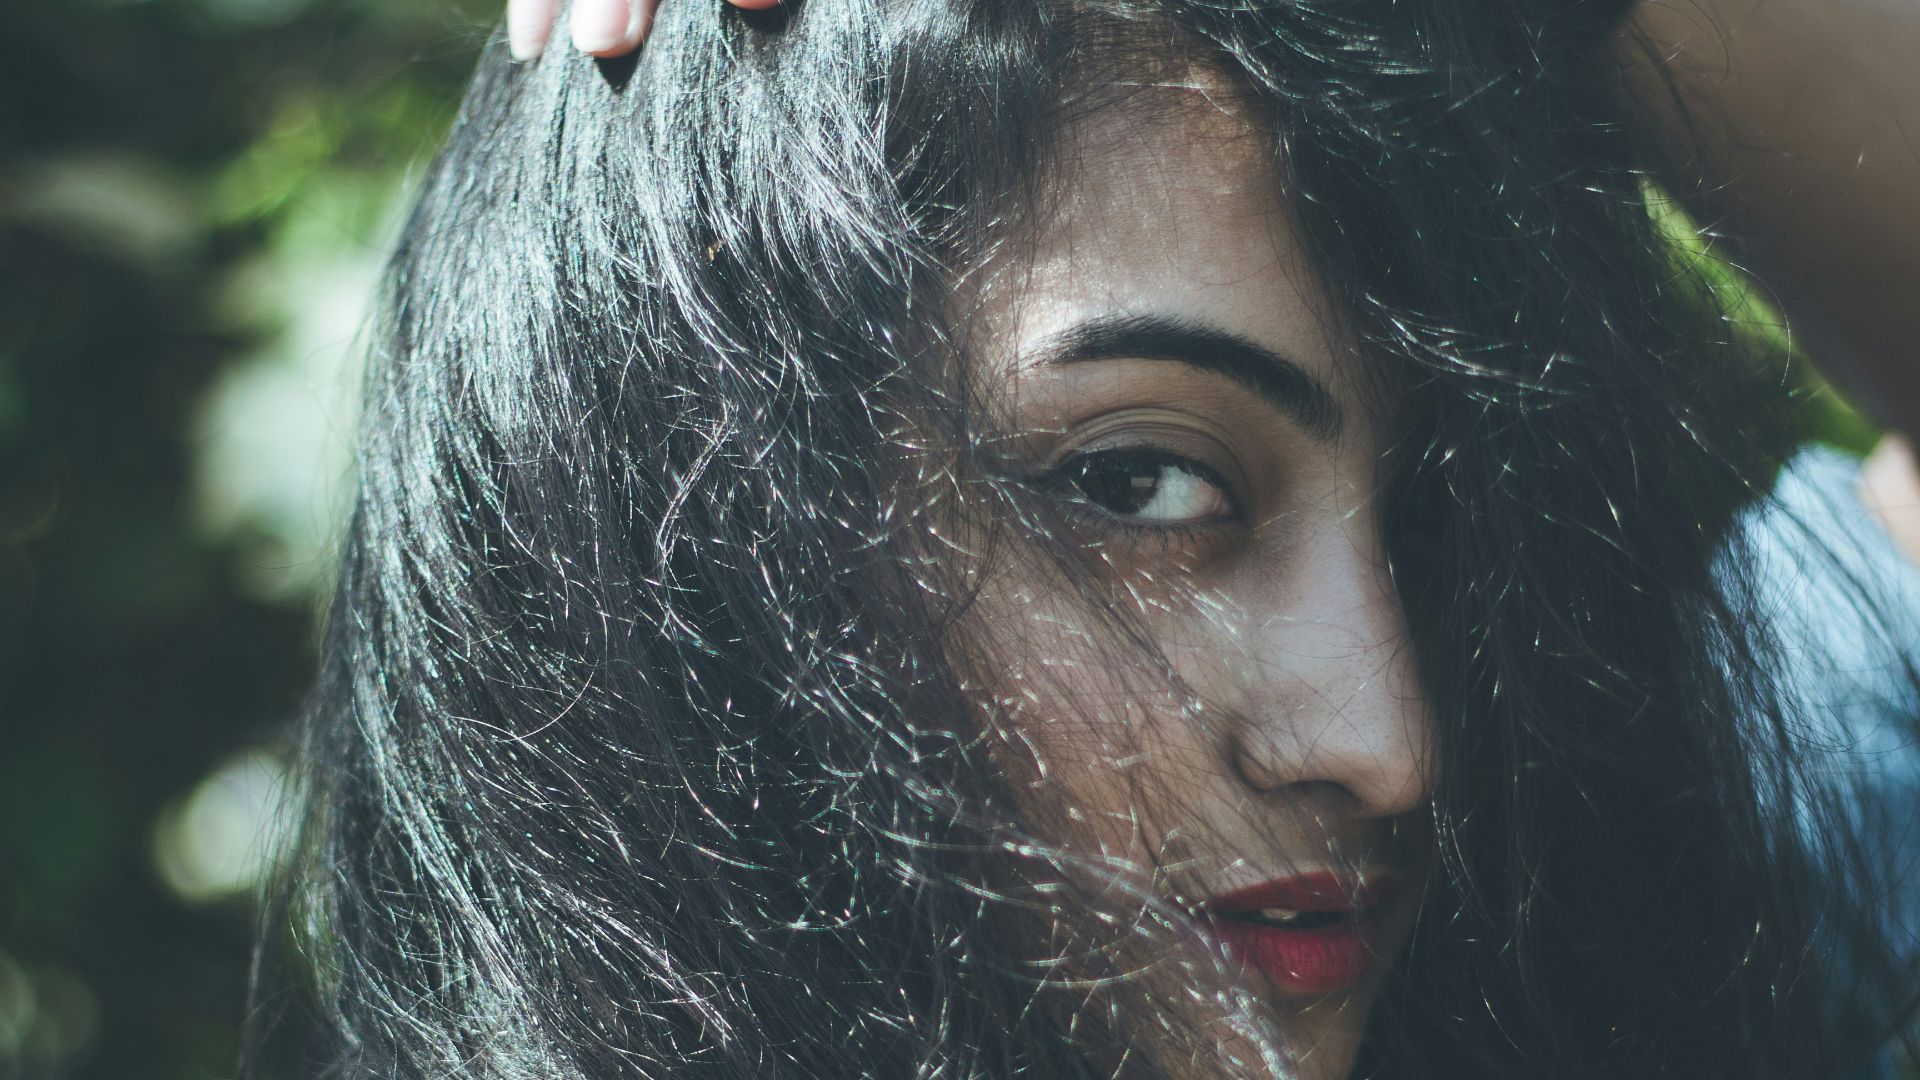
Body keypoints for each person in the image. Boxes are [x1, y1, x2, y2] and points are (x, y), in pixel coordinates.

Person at [247, 1, 1920, 1078]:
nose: (1389, 741)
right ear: (686, 535)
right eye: (1140, 487)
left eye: (1438, 525)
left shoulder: (1646, 947)